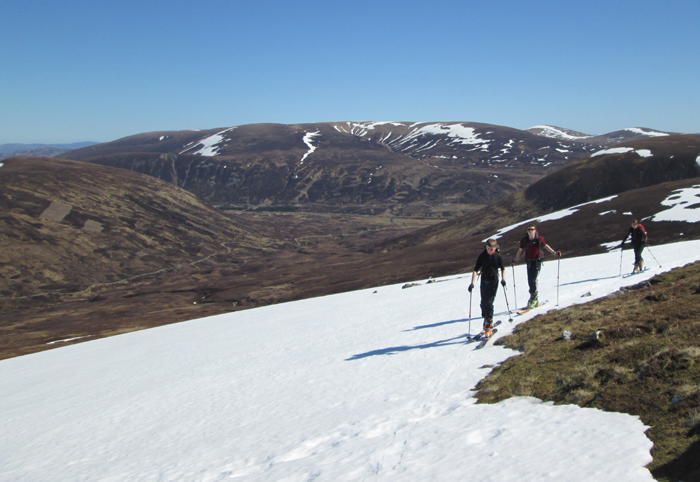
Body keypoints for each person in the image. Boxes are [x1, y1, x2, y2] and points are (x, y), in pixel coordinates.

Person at [513, 224, 561, 308]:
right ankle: (534, 297)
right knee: (530, 279)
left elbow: (545, 246)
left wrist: (554, 253)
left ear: (535, 230)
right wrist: (515, 260)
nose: (530, 231)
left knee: (533, 279)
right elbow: (520, 251)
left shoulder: (539, 239)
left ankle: (534, 297)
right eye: (529, 230)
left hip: (537, 261)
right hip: (529, 261)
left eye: (532, 229)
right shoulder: (524, 240)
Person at [468, 239, 506, 337]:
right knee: (483, 303)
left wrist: (503, 279)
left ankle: (489, 321)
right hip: (484, 281)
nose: (490, 250)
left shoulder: (498, 257)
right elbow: (476, 270)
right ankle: (486, 318)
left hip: (494, 282)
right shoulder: (482, 256)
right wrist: (472, 283)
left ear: (495, 248)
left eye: (492, 249)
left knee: (489, 302)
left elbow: (502, 268)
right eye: (488, 248)